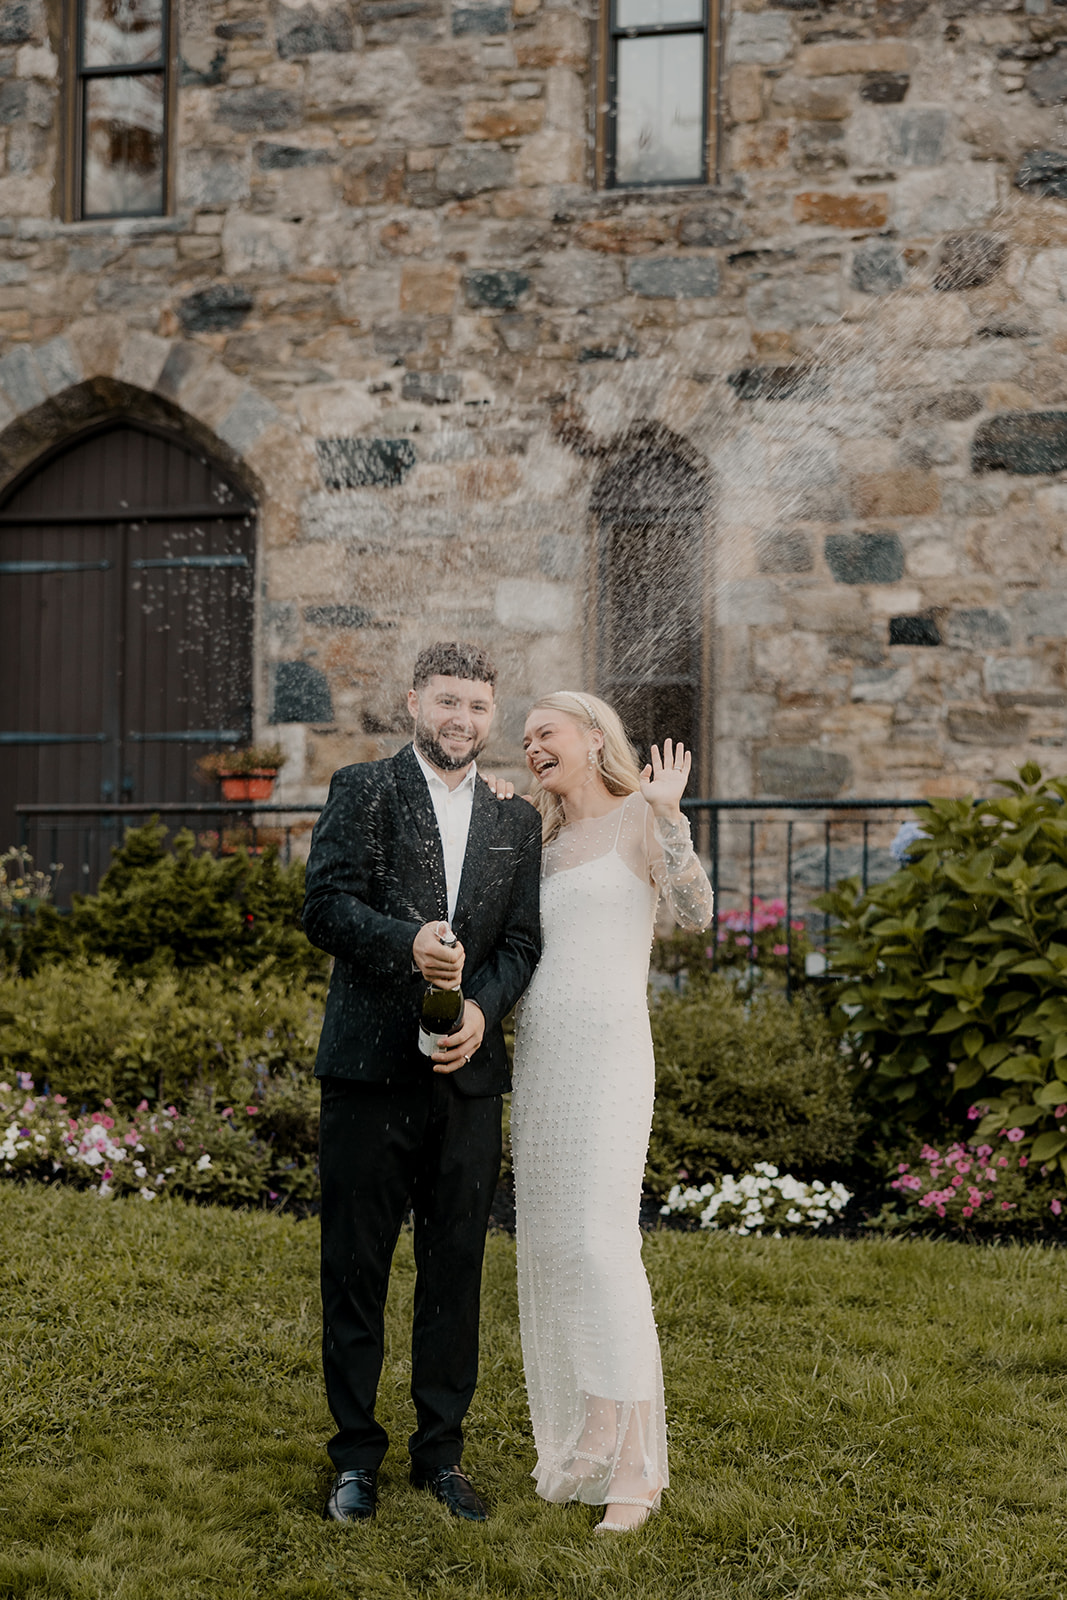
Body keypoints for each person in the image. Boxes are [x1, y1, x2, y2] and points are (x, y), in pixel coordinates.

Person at [302, 642, 542, 1525]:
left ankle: (440, 1456)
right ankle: (353, 1458)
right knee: (355, 1270)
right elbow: (322, 906)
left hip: (465, 1081)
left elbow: (521, 943)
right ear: (414, 701)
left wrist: (481, 1008)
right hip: (366, 1072)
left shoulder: (516, 820)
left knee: (455, 1271)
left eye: (477, 708)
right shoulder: (363, 790)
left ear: (491, 715)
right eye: (447, 702)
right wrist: (403, 942)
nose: (462, 721)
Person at [510, 691, 714, 1533]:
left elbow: (697, 916)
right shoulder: (542, 841)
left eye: (543, 732)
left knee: (601, 1247)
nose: (530, 748)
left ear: (593, 737)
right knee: (558, 1247)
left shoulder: (641, 818)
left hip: (609, 1059)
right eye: (523, 740)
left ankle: (638, 1469)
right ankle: (595, 1426)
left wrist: (670, 819)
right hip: (542, 1062)